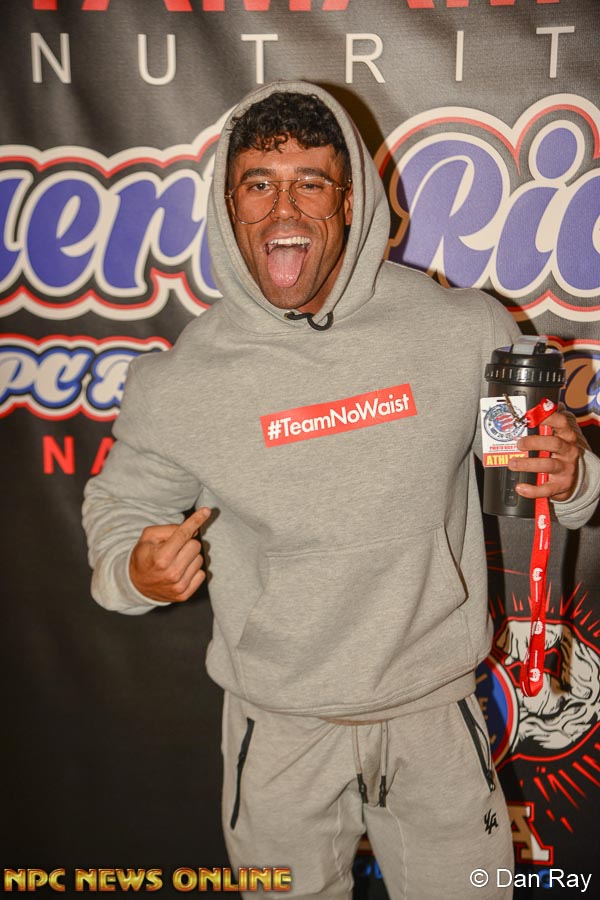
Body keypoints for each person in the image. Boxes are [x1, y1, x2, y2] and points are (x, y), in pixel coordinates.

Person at [82, 82, 600, 899]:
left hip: (435, 720)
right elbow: (121, 509)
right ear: (228, 205)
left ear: (350, 202)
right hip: (280, 732)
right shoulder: (181, 381)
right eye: (259, 183)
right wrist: (134, 570)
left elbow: (553, 481)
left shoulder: (463, 329)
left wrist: (574, 475)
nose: (283, 208)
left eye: (310, 183)